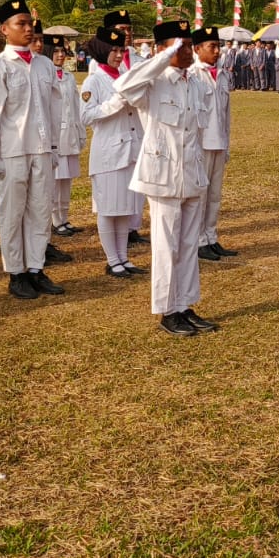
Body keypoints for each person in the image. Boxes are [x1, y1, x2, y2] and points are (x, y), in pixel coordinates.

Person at [114, 21, 216, 336]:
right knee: (165, 246)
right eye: (179, 46)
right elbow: (123, 87)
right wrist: (163, 57)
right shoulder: (153, 83)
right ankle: (166, 310)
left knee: (187, 245)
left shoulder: (195, 82)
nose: (186, 52)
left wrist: (175, 51)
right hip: (163, 177)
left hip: (191, 173)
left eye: (188, 45)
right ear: (162, 49)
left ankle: (184, 304)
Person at [0, 0, 64, 300]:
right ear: (4, 29)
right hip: (12, 149)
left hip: (41, 147)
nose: (29, 29)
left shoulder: (43, 64)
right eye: (21, 24)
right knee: (12, 212)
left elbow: (54, 107)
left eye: (30, 24)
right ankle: (16, 272)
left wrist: (55, 146)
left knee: (41, 210)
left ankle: (36, 268)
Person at [80, 23, 147, 279]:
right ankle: (112, 259)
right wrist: (114, 103)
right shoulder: (93, 81)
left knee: (126, 208)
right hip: (108, 152)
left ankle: (123, 257)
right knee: (109, 209)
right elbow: (86, 116)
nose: (119, 55)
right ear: (103, 51)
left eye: (121, 50)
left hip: (130, 149)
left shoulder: (123, 77)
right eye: (114, 50)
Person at [190, 26, 238, 262]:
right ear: (197, 49)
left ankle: (211, 236)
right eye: (212, 47)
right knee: (200, 194)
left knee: (215, 195)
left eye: (218, 46)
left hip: (218, 141)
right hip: (201, 144)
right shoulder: (192, 75)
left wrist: (227, 142)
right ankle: (198, 240)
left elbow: (225, 113)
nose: (217, 51)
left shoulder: (223, 74)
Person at [47, 35, 84, 239]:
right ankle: (54, 219)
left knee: (67, 179)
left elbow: (76, 107)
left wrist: (80, 132)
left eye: (62, 51)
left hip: (69, 133)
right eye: (56, 52)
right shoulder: (47, 75)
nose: (60, 55)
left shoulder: (69, 77)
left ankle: (64, 216)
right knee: (55, 179)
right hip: (55, 136)